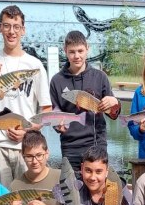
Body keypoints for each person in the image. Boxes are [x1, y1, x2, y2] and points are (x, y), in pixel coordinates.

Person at [0, 5, 51, 185]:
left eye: (16, 27)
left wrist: (27, 131)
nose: (11, 31)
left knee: (27, 202)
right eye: (7, 25)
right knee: (1, 202)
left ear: (23, 30)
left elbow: (46, 109)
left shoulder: (35, 65)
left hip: (27, 148)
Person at [49, 30, 120, 174]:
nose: (77, 56)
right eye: (72, 52)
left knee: (97, 189)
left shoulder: (100, 77)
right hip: (70, 146)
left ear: (87, 48)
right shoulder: (57, 81)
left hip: (96, 144)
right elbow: (54, 112)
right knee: (73, 190)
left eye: (80, 51)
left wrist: (114, 102)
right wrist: (58, 126)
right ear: (65, 51)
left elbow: (114, 115)